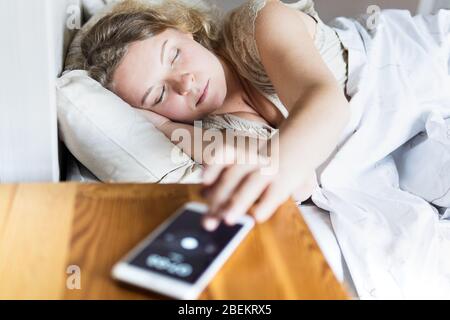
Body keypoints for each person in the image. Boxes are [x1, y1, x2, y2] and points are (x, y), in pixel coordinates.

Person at [80, 0, 351, 230]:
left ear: (186, 32)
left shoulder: (260, 24)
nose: (185, 84)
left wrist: (273, 163)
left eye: (174, 56)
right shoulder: (213, 130)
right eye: (159, 95)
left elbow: (326, 103)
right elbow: (302, 184)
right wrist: (165, 128)